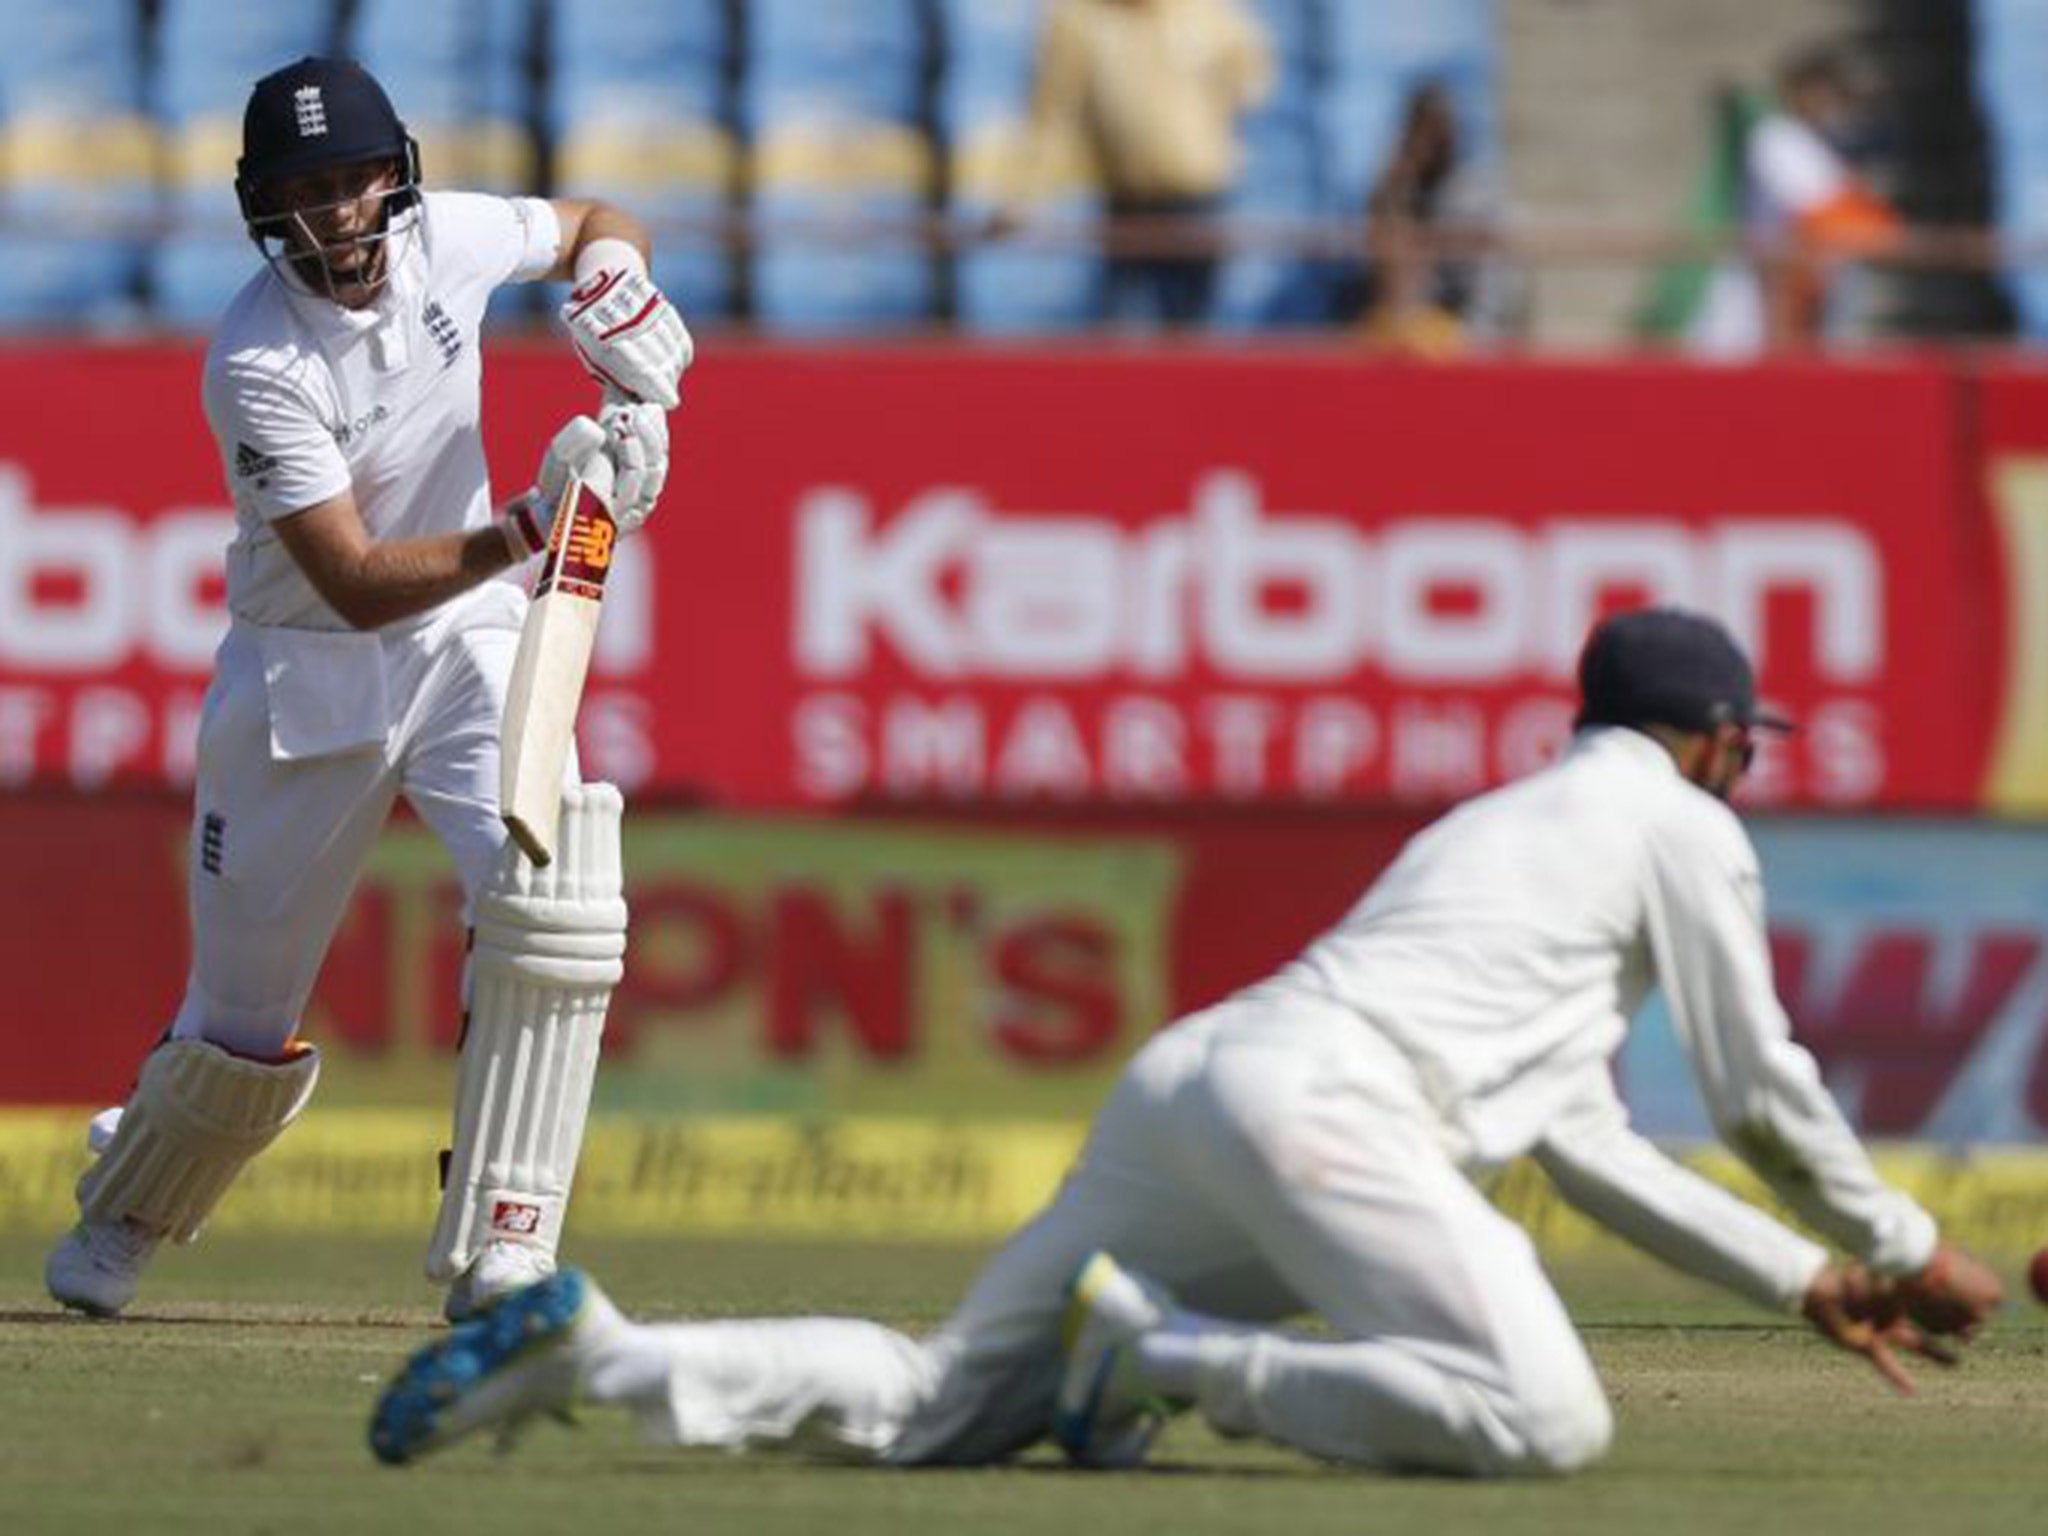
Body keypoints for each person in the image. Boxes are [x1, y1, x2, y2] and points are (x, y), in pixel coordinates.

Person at [366, 607, 2003, 1476]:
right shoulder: (1670, 826)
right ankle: (1152, 1358)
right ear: (1714, 737)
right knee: (1546, 1423)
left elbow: (1593, 1144)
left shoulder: (1509, 838)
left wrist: (1799, 1279)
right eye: (1742, 746)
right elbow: (1755, 1084)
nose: (1744, 769)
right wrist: (1902, 1238)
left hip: (1198, 1086)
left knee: (939, 1402)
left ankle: (597, 1357)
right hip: (1329, 1115)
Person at [43, 57, 693, 1322]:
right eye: (305, 194)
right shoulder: (256, 359)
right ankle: (131, 1204)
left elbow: (594, 221)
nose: (339, 216)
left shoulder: (446, 231)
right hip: (307, 680)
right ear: (260, 211)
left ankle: (508, 1233)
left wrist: (617, 286)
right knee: (240, 1021)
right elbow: (348, 580)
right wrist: (528, 528)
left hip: (472, 646)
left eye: (355, 182)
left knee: (556, 893)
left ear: (396, 175)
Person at [992, 0, 1272, 329]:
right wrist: (1022, 196)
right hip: (1126, 204)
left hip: (1200, 203)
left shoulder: (1210, 13)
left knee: (1194, 336)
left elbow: (1251, 87)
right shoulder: (1079, 20)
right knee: (1119, 335)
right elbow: (1050, 120)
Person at [1689, 46, 1901, 356]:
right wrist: (1883, 229)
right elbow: (1833, 215)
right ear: (1796, 92)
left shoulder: (1828, 146)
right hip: (1764, 293)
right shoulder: (1779, 138)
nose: (1831, 105)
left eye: (1838, 94)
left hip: (1815, 291)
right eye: (1822, 93)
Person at [1353, 81, 1510, 356]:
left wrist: (1472, 339)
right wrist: (1404, 176)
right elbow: (1384, 266)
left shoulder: (1475, 195)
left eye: (1442, 130)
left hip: (1462, 328)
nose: (1436, 143)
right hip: (1404, 325)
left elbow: (1485, 289)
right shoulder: (1397, 184)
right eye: (1427, 131)